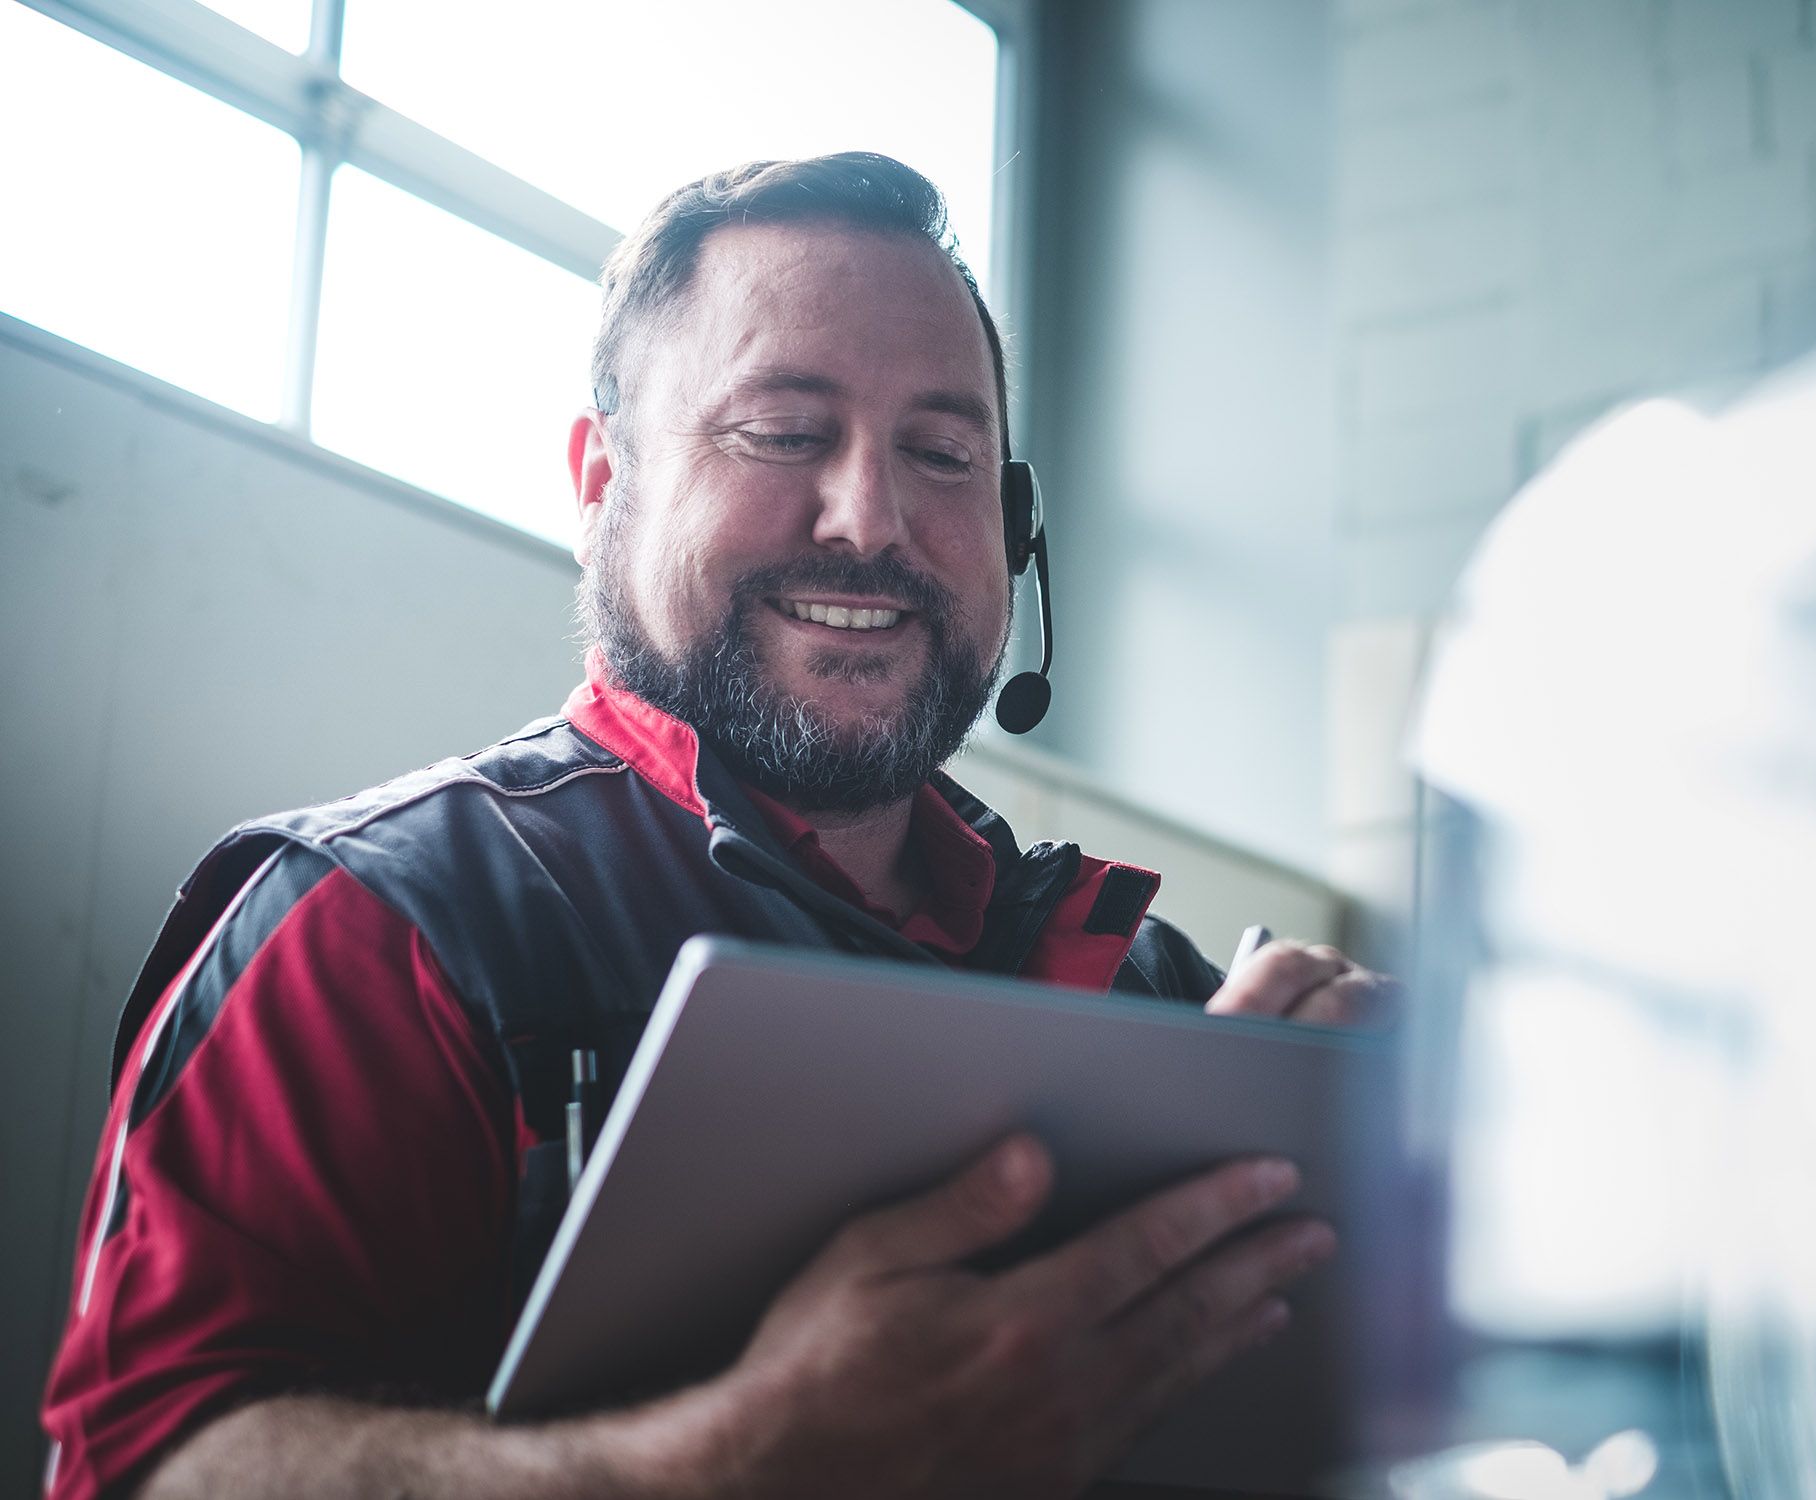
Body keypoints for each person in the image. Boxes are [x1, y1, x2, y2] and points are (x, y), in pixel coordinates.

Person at [41, 153, 1387, 1500]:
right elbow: (145, 1473)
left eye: (944, 453)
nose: (873, 517)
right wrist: (736, 1463)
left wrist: (1423, 1182)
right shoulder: (376, 927)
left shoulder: (1154, 981)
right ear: (598, 480)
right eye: (784, 432)